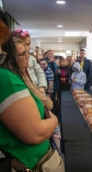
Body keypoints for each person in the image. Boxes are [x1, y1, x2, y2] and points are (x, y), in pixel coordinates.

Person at [0, 11, 58, 170]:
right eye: (22, 53)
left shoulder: (12, 74)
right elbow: (36, 133)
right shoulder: (6, 77)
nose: (28, 56)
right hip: (29, 163)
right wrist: (53, 120)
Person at [11, 29, 47, 94]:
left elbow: (40, 72)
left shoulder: (31, 58)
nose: (30, 47)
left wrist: (42, 86)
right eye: (27, 44)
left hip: (37, 87)